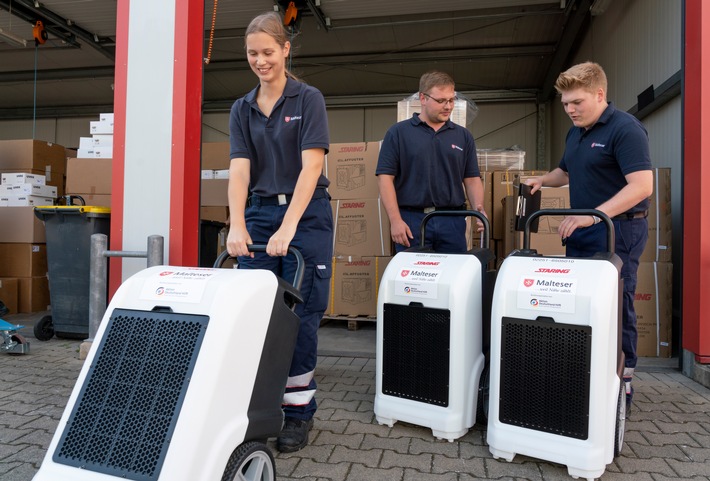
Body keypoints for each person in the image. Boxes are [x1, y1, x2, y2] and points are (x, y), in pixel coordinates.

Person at [226, 11, 332, 453]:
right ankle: (258, 406)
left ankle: (299, 413)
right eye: (253, 53)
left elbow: (313, 167)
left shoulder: (308, 99)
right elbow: (238, 171)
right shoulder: (242, 107)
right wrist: (236, 223)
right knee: (254, 311)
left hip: (305, 218)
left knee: (300, 315)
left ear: (286, 49)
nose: (260, 61)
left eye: (268, 52)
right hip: (260, 214)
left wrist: (289, 227)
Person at [525, 61, 653, 412]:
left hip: (618, 229)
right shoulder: (576, 132)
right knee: (578, 300)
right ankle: (583, 371)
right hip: (581, 227)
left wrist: (592, 216)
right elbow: (564, 172)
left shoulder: (626, 130)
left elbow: (642, 186)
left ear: (600, 94)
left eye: (576, 102)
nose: (569, 110)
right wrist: (542, 181)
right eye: (565, 104)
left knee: (615, 302)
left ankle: (623, 379)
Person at [376, 70, 486, 253]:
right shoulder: (398, 133)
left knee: (451, 278)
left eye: (451, 100)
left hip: (452, 220)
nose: (448, 106)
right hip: (412, 221)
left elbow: (472, 178)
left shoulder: (463, 136)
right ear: (423, 98)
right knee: (413, 280)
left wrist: (478, 211)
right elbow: (385, 178)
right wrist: (395, 220)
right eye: (441, 100)